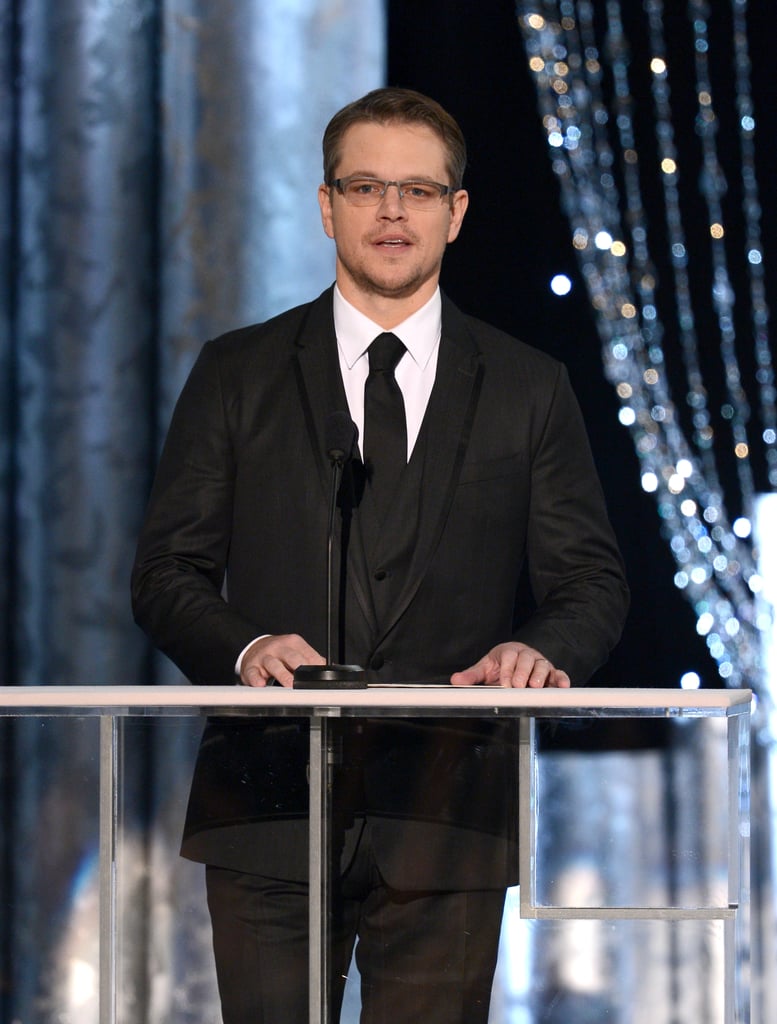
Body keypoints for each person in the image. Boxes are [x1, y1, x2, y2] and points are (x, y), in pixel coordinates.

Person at [132, 87, 629, 1024]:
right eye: (366, 187)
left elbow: (591, 581)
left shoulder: (528, 387)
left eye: (417, 190)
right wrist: (242, 649)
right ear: (327, 207)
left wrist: (541, 650)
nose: (392, 212)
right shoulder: (237, 373)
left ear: (457, 212)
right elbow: (165, 574)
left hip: (446, 809)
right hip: (269, 806)